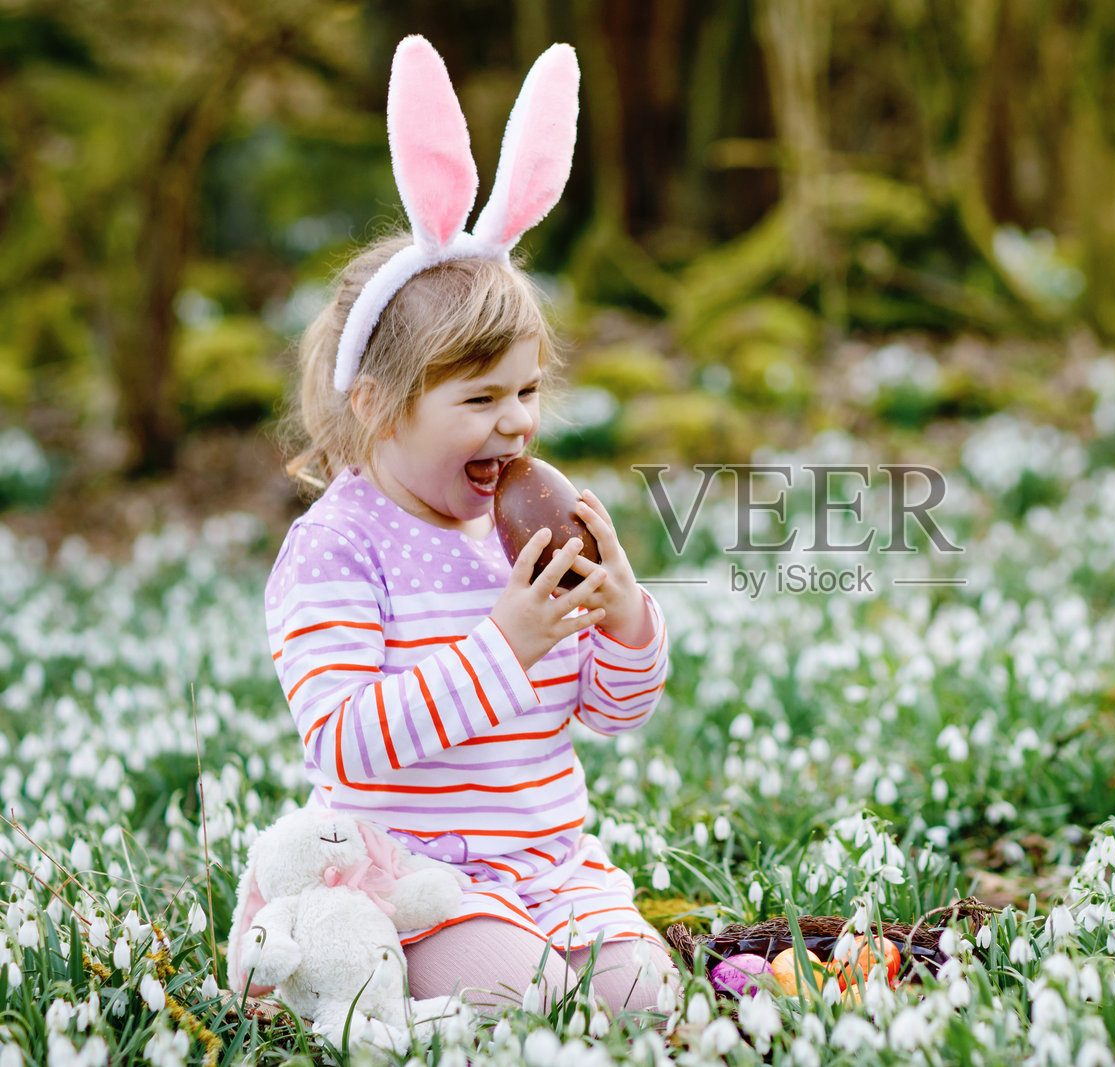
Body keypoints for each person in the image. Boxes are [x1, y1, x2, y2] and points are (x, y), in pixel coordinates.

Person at [263, 35, 678, 1016]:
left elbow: (609, 714)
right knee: (526, 998)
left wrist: (621, 620)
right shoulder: (336, 546)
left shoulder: (516, 524)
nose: (518, 421)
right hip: (412, 873)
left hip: (549, 861)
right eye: (482, 396)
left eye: (529, 390)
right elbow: (345, 745)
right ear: (375, 402)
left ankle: (558, 955)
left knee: (645, 996)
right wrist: (505, 642)